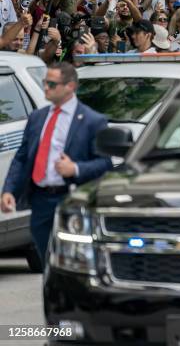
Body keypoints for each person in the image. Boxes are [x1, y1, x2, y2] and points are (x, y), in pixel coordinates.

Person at [1, 63, 112, 265]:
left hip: (71, 198)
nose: (46, 88)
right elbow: (22, 157)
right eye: (45, 83)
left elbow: (105, 164)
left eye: (52, 84)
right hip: (41, 200)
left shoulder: (92, 120)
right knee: (48, 265)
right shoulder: (37, 117)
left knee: (73, 265)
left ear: (70, 86)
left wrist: (75, 169)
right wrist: (9, 190)